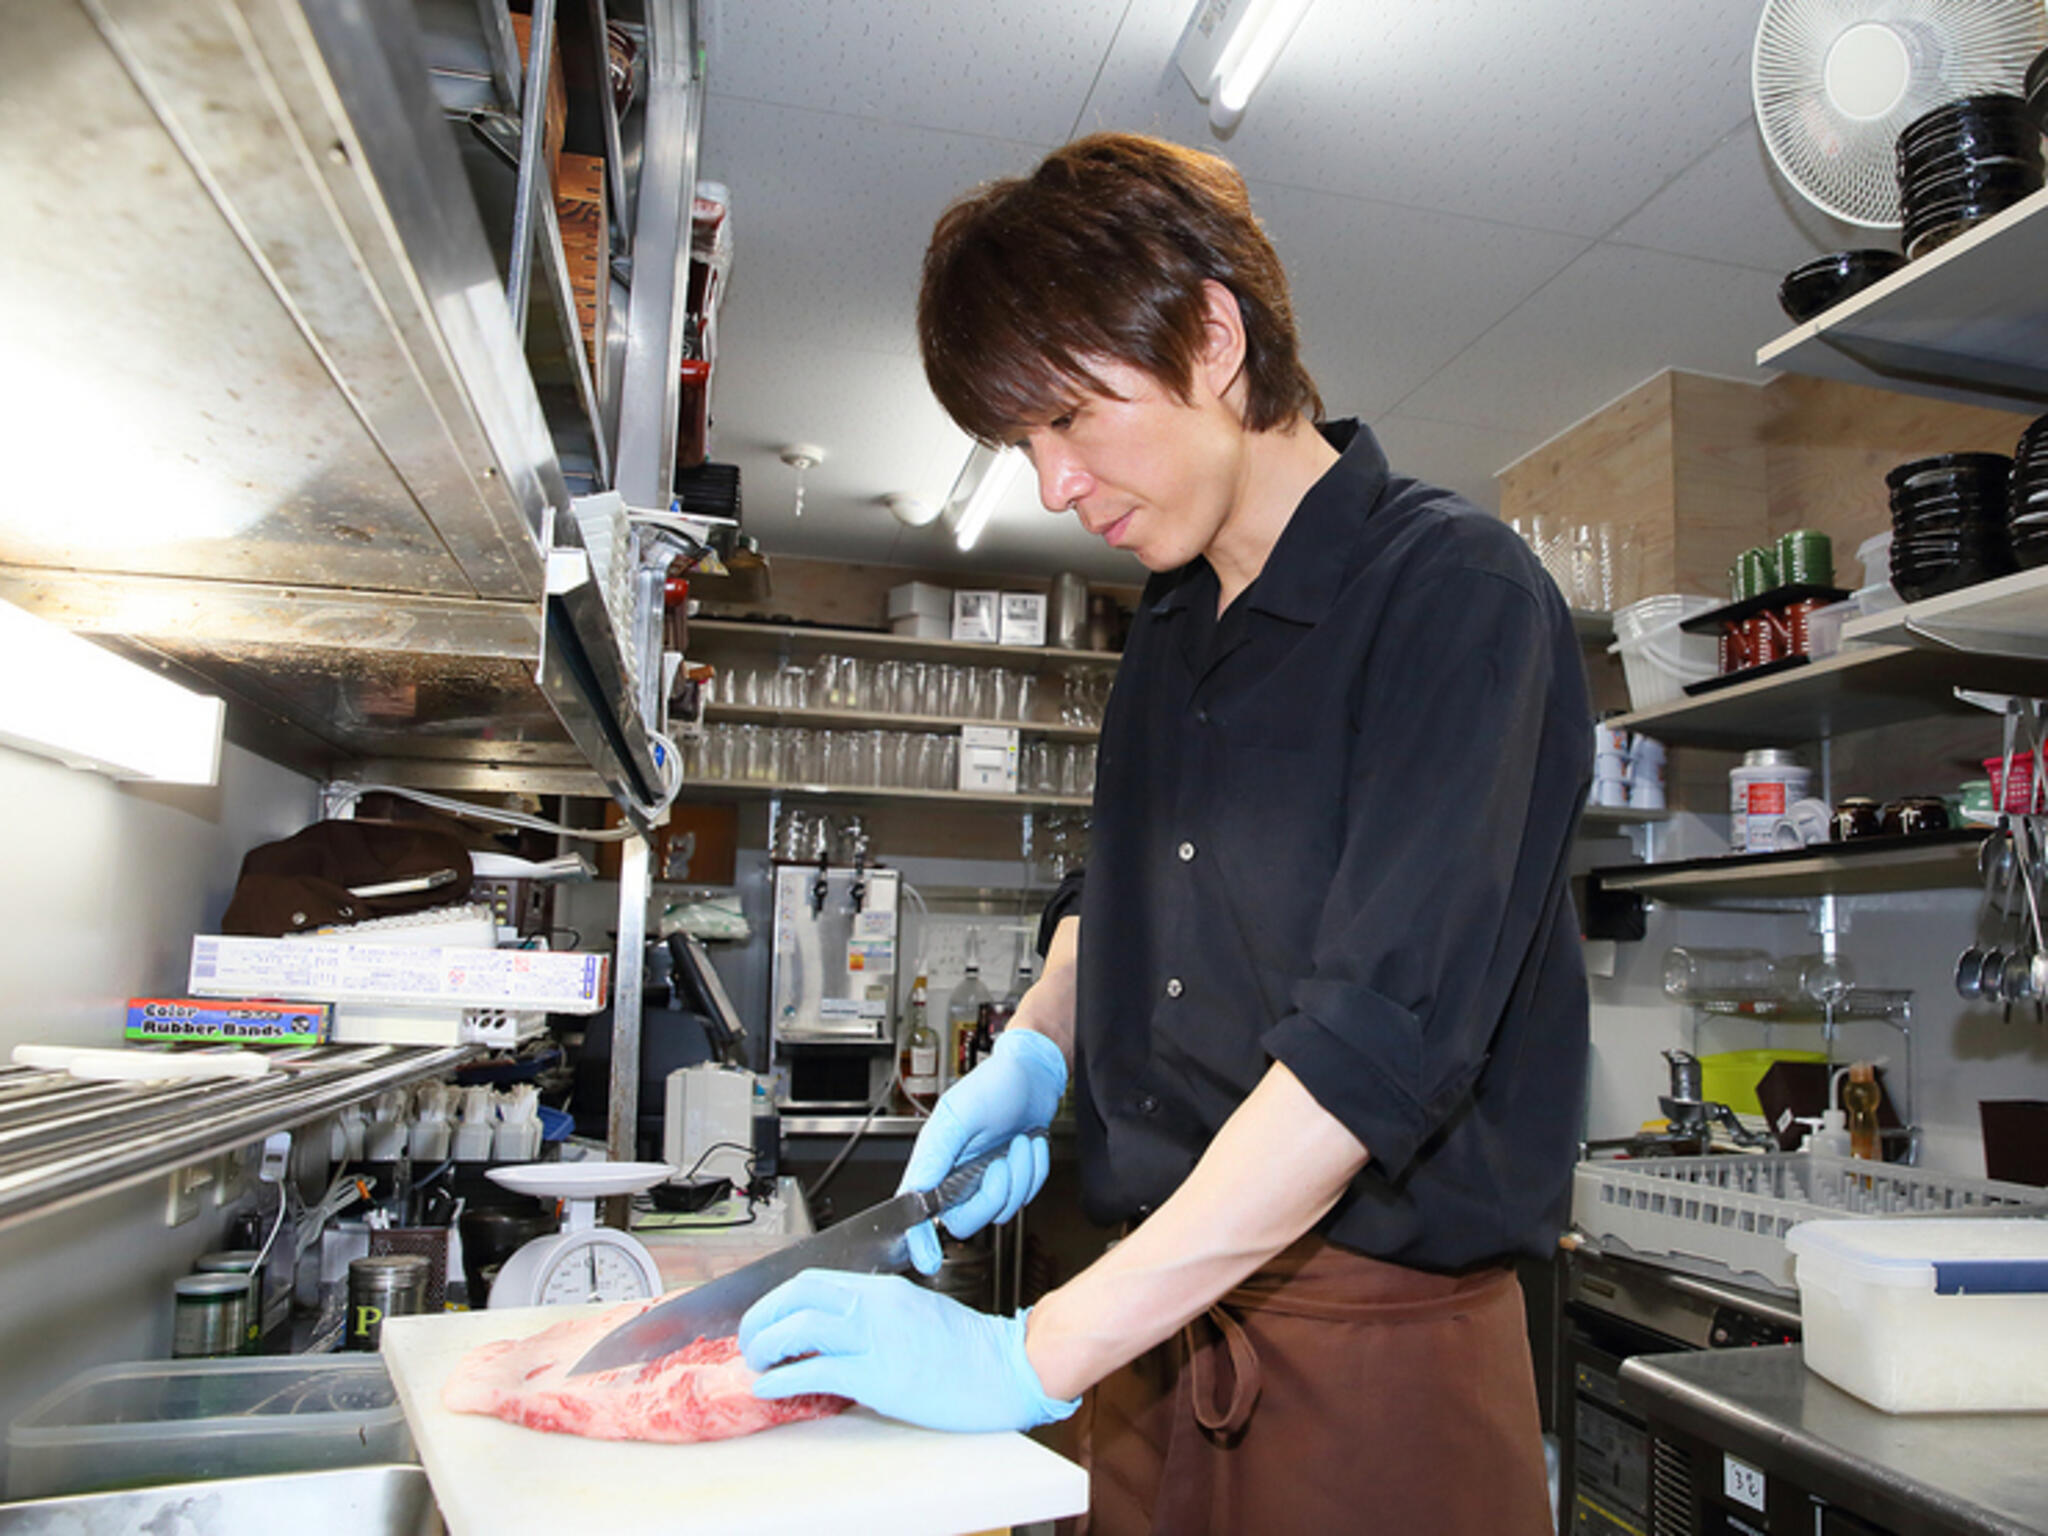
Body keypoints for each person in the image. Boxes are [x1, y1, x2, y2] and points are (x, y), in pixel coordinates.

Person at [738, 132, 1591, 1534]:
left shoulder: (1457, 597)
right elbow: (1120, 883)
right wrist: (1036, 1044)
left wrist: (1030, 1351)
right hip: (1150, 1331)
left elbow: (1372, 1052)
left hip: (1373, 1367)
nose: (1053, 485)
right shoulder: (1174, 623)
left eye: (1071, 419)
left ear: (1211, 335)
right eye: (1025, 445)